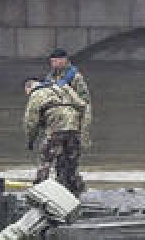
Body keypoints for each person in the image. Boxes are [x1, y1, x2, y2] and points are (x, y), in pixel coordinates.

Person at [23, 47, 92, 193]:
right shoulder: (51, 79)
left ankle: (39, 190)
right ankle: (71, 190)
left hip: (62, 125)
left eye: (56, 60)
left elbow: (31, 120)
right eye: (52, 61)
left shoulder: (75, 77)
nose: (53, 64)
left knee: (47, 160)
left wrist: (30, 139)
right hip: (68, 124)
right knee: (66, 162)